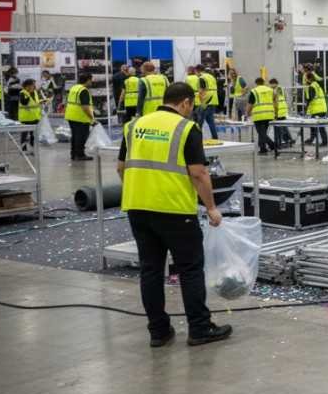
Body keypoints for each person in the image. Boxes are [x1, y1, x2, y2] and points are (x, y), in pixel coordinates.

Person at [117, 81, 232, 348]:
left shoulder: (134, 126)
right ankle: (199, 329)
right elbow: (199, 173)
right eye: (191, 106)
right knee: (190, 269)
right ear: (186, 103)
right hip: (174, 209)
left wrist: (139, 190)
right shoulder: (186, 128)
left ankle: (158, 331)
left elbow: (121, 167)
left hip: (137, 208)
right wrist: (212, 208)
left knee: (151, 270)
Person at [65, 73, 96, 161]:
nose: (91, 82)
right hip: (80, 117)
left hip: (71, 115)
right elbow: (85, 107)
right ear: (88, 80)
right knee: (81, 137)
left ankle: (74, 154)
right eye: (91, 80)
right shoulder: (84, 90)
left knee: (75, 136)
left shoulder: (74, 88)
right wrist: (92, 118)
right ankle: (80, 155)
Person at [246, 77, 278, 156]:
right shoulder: (270, 90)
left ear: (256, 83)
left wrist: (247, 113)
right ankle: (262, 149)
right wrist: (276, 113)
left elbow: (250, 104)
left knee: (261, 132)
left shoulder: (254, 91)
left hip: (258, 115)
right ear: (263, 82)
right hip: (269, 114)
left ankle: (273, 145)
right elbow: (275, 101)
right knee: (263, 132)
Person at [304, 73, 328, 148]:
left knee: (316, 126)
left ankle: (324, 141)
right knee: (318, 126)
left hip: (317, 109)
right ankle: (314, 139)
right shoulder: (317, 85)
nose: (305, 80)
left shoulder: (312, 86)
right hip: (322, 108)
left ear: (309, 79)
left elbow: (310, 99)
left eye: (306, 79)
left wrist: (306, 109)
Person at [16, 79, 41, 152]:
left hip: (35, 117)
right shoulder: (22, 93)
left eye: (34, 85)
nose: (34, 86)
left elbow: (35, 102)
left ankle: (33, 147)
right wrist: (29, 93)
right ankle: (23, 148)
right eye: (32, 85)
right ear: (27, 86)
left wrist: (42, 102)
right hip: (26, 118)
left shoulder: (35, 92)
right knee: (24, 133)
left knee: (33, 134)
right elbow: (24, 102)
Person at [269, 77, 293, 150]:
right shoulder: (282, 89)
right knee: (284, 127)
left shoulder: (274, 90)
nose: (270, 86)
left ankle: (278, 144)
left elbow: (273, 101)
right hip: (283, 110)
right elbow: (286, 98)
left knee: (278, 128)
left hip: (278, 111)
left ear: (274, 83)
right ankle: (288, 140)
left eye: (271, 84)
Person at [197, 66, 219, 138]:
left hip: (206, 100)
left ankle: (197, 138)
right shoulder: (212, 77)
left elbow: (201, 90)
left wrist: (201, 101)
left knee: (199, 121)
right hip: (214, 100)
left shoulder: (202, 77)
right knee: (211, 121)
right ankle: (215, 137)